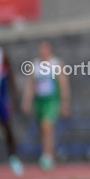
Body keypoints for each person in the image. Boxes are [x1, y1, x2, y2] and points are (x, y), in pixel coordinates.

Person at [21, 41, 71, 171]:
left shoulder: (56, 64)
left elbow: (63, 84)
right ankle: (48, 153)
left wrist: (65, 102)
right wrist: (26, 101)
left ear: (49, 50)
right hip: (40, 101)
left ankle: (47, 155)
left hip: (52, 100)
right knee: (43, 129)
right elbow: (30, 85)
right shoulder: (35, 64)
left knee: (47, 126)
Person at [0, 33, 22, 175]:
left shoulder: (0, 54)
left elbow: (10, 76)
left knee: (6, 126)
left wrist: (14, 96)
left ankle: (13, 157)